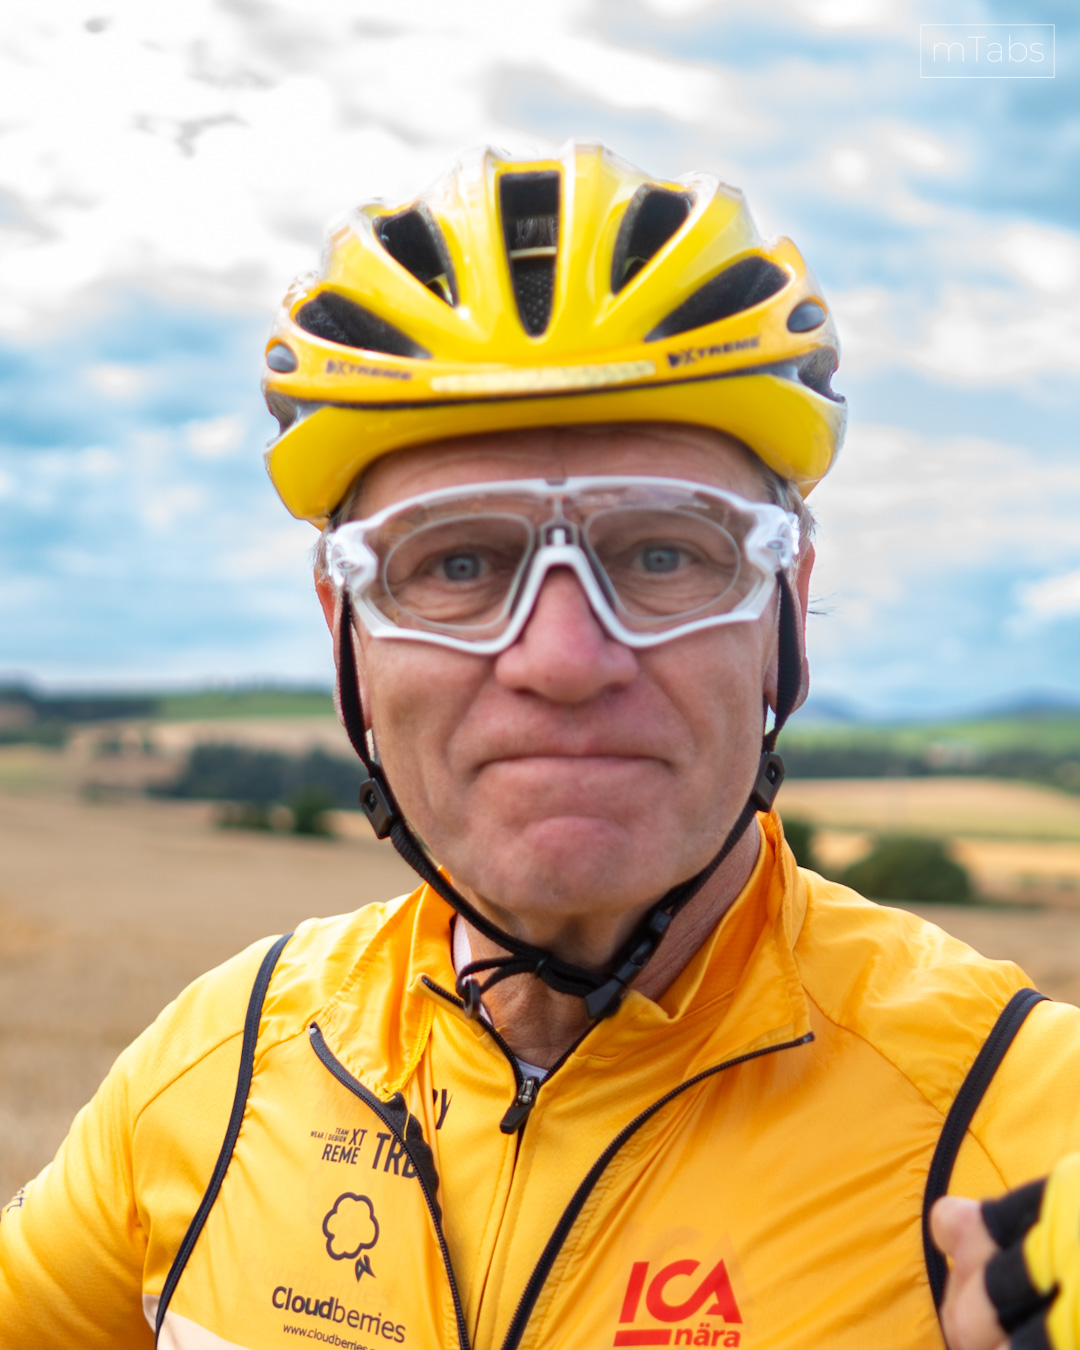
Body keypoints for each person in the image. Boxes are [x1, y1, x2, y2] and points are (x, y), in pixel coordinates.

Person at [1, 141, 1078, 1350]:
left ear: (787, 610)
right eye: (458, 562)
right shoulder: (217, 1072)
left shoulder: (1018, 1132)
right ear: (343, 630)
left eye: (664, 553)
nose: (563, 659)